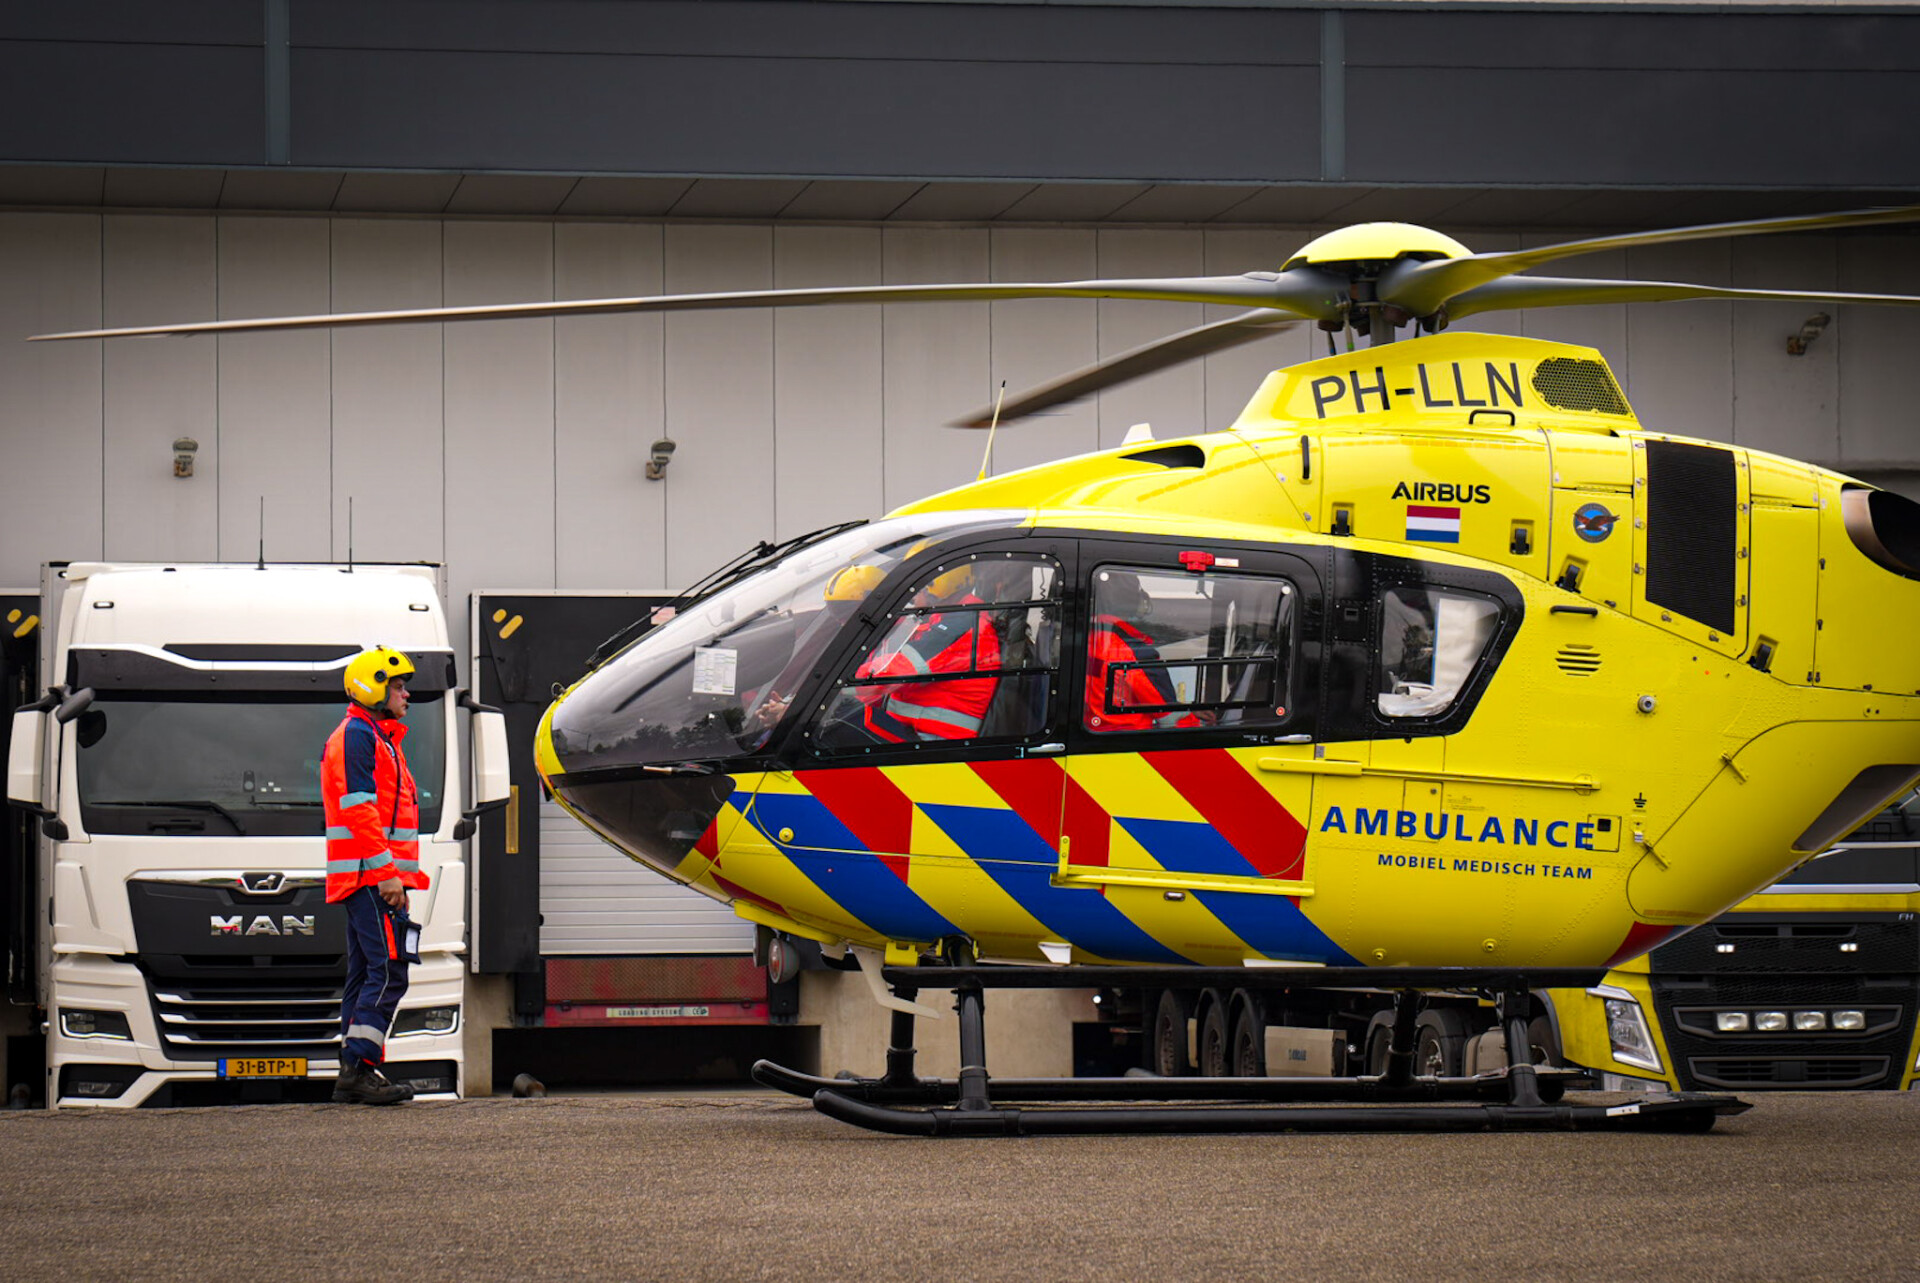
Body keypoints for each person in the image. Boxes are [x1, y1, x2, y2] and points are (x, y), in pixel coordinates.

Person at [321, 645, 427, 1106]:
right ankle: (362, 1066)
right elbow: (359, 810)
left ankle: (354, 1070)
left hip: (372, 877)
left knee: (366, 971)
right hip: (371, 879)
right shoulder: (359, 735)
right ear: (374, 688)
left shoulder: (376, 736)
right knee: (390, 970)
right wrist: (387, 875)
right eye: (398, 685)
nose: (406, 694)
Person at [855, 562, 1002, 742]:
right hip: (913, 729)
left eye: (918, 590)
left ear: (933, 588)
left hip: (935, 740)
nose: (913, 598)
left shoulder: (960, 626)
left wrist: (845, 681)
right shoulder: (949, 617)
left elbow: (895, 671)